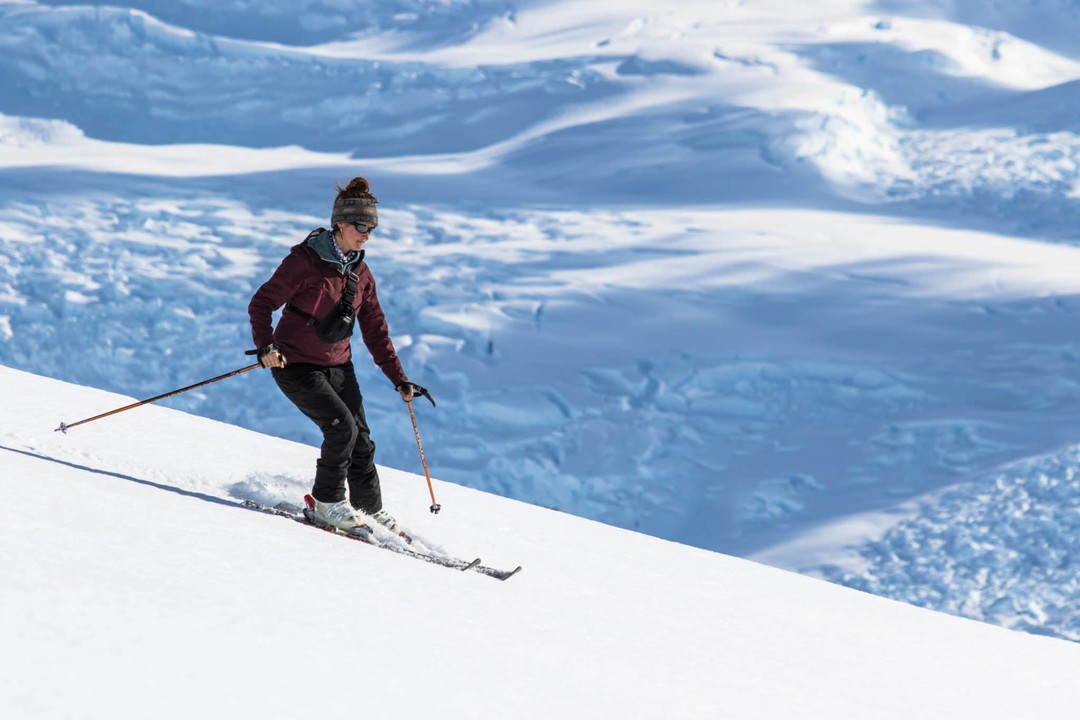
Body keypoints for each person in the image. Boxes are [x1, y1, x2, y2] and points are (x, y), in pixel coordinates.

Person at [248, 175, 413, 535]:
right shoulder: (305, 261)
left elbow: (375, 330)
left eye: (372, 227)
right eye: (361, 225)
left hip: (339, 364)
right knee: (341, 428)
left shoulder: (361, 272)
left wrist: (399, 378)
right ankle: (327, 503)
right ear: (340, 223)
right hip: (295, 364)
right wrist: (266, 347)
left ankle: (367, 507)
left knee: (362, 439)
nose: (367, 233)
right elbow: (261, 303)